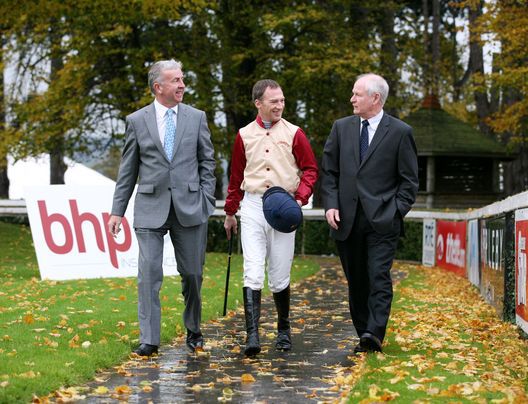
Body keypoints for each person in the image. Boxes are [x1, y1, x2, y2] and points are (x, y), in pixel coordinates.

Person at [108, 59, 216, 356]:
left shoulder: (196, 117)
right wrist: (117, 210)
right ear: (158, 87)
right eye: (175, 80)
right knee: (149, 273)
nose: (182, 85)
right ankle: (150, 339)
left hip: (191, 206)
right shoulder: (137, 120)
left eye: (182, 79)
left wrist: (206, 197)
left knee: (193, 275)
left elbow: (208, 161)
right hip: (150, 208)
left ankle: (194, 331)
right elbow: (128, 170)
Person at [321, 73, 418, 354]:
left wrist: (395, 212)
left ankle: (373, 334)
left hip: (383, 221)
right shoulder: (340, 128)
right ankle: (364, 330)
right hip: (346, 221)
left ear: (375, 98)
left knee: (378, 276)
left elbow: (409, 182)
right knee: (357, 280)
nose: (352, 99)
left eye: (357, 94)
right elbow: (329, 171)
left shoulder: (400, 132)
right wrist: (330, 204)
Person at [223, 79, 318, 356]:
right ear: (258, 103)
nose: (279, 105)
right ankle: (252, 335)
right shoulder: (244, 135)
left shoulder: (295, 133)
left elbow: (310, 170)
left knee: (279, 273)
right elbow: (236, 176)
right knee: (252, 269)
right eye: (274, 101)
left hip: (283, 204)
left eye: (282, 101)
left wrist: (299, 198)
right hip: (253, 205)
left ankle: (283, 329)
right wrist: (230, 211)